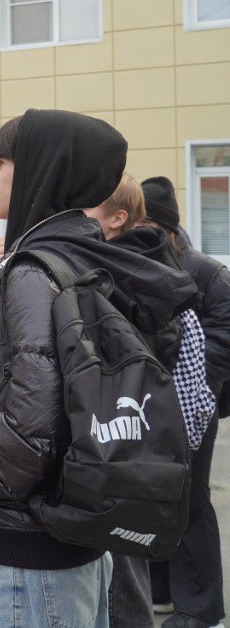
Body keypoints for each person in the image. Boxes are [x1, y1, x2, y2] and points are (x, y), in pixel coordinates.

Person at [0, 109, 193, 628]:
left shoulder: (36, 267)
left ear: (40, 168)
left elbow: (32, 424)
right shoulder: (84, 252)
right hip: (70, 534)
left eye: (2, 162)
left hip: (31, 548)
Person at [83, 174, 207, 628]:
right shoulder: (169, 274)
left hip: (107, 459)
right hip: (140, 461)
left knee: (117, 586)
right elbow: (195, 403)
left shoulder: (107, 278)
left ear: (118, 219)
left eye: (88, 212)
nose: (79, 221)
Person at [141, 175, 230, 628]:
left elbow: (221, 344)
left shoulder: (208, 273)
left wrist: (185, 391)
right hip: (148, 405)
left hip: (193, 405)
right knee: (152, 498)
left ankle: (200, 608)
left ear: (166, 230)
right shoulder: (143, 267)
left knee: (190, 503)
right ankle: (160, 590)